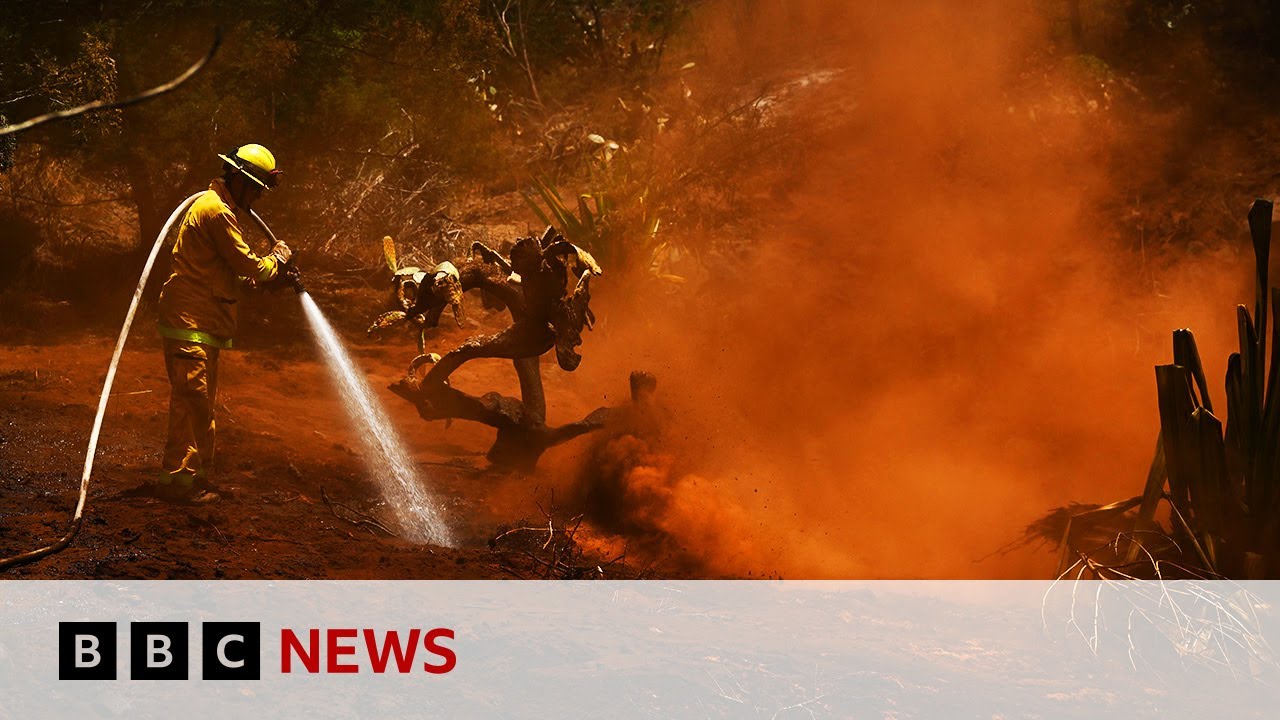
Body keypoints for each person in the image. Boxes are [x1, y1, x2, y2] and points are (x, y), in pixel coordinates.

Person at [152, 144, 291, 504]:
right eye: (257, 189)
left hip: (202, 320)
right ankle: (183, 483)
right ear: (241, 181)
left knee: (195, 403)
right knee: (193, 401)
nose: (258, 198)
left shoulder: (219, 208)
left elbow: (220, 268)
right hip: (190, 319)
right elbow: (249, 263)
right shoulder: (216, 211)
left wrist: (253, 281)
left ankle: (186, 479)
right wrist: (276, 261)